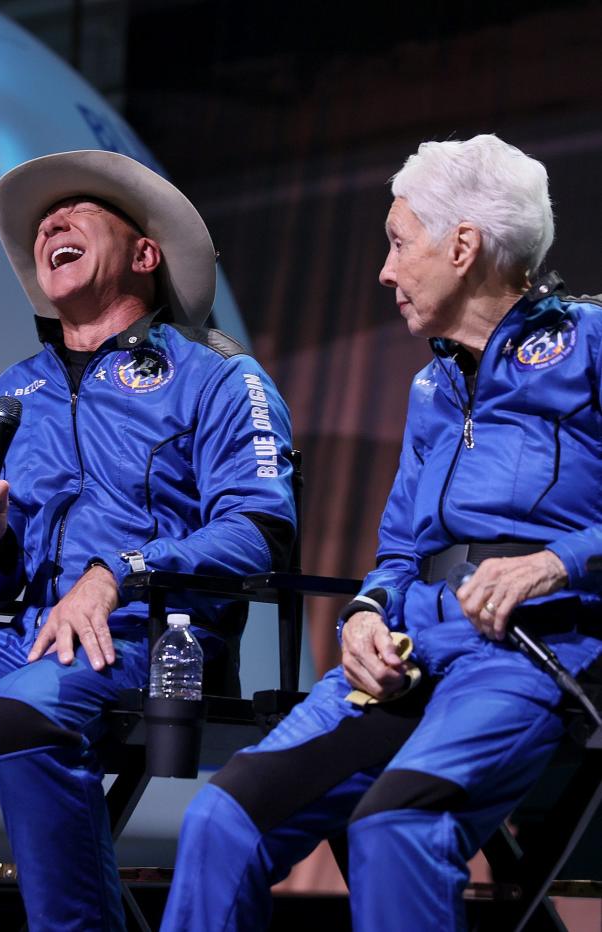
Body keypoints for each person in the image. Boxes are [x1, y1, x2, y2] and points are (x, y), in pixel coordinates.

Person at [0, 151, 297, 930]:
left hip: (145, 639)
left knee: (21, 712)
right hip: (27, 641)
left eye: (79, 211)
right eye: (42, 223)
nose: (50, 225)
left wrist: (122, 574)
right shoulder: (16, 389)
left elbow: (260, 532)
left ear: (145, 254)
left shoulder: (217, 377)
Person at [162, 134, 602, 931]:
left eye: (400, 243)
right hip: (413, 648)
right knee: (220, 820)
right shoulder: (432, 385)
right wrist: (366, 613)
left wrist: (556, 562)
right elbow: (399, 549)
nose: (385, 270)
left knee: (396, 826)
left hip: (533, 652)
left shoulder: (591, 343)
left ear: (463, 246)